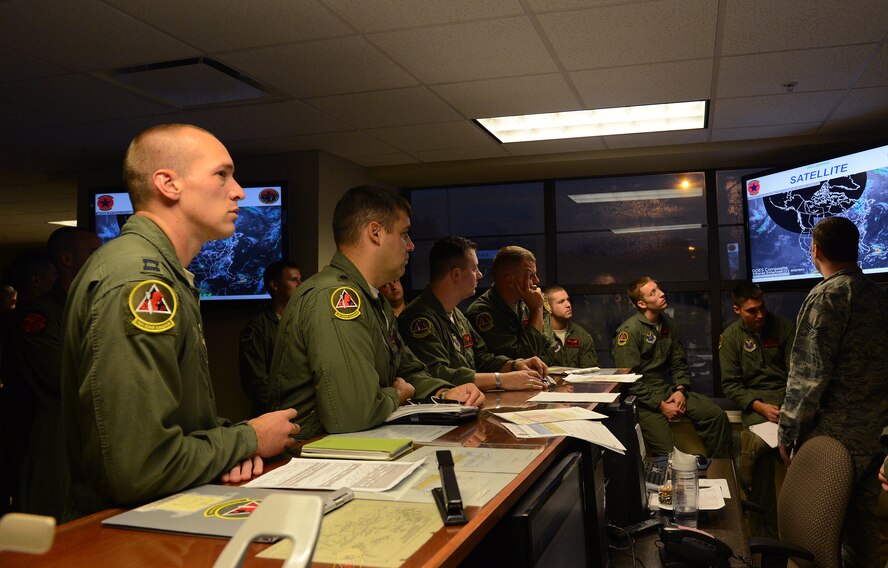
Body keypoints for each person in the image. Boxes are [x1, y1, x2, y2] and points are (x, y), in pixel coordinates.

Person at [61, 124, 298, 521]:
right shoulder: (139, 279)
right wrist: (250, 438)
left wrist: (231, 447)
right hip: (124, 531)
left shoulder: (163, 273)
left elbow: (178, 425)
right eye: (222, 174)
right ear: (168, 184)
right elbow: (139, 466)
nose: (239, 190)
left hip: (159, 518)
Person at [269, 186, 484, 439]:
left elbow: (409, 369)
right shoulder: (336, 298)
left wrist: (444, 393)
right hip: (314, 455)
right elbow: (353, 414)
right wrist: (400, 394)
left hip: (360, 444)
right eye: (404, 234)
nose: (411, 246)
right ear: (375, 233)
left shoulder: (375, 301)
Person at [777, 217, 888, 568]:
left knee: (818, 534)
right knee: (863, 530)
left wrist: (788, 430)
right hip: (876, 434)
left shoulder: (827, 296)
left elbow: (809, 375)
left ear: (815, 250)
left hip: (836, 438)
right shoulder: (878, 295)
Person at [6, 228, 101, 518]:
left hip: (90, 432)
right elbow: (64, 377)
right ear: (67, 259)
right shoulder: (41, 317)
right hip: (54, 435)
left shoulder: (93, 306)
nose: (100, 260)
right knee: (56, 521)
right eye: (92, 254)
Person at [399, 236, 548, 392]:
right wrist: (500, 379)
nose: (480, 274)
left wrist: (513, 365)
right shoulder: (419, 320)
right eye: (474, 268)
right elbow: (436, 374)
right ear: (456, 274)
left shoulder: (456, 314)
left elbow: (481, 357)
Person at [613, 277, 731, 458]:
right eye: (653, 293)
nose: (661, 294)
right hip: (643, 399)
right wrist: (660, 405)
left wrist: (680, 390)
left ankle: (719, 469)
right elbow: (630, 380)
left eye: (658, 288)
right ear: (642, 303)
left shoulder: (668, 325)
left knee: (716, 416)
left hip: (666, 388)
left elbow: (678, 362)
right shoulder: (629, 332)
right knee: (669, 455)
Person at [719, 282, 794, 537]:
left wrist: (787, 407)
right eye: (752, 311)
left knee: (805, 462)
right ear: (737, 309)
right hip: (756, 406)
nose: (760, 315)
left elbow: (797, 374)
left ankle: (805, 534)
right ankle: (765, 538)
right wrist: (760, 407)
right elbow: (731, 385)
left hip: (788, 402)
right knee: (756, 461)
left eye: (762, 308)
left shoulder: (784, 327)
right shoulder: (730, 338)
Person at [465, 246, 553, 363]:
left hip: (541, 374)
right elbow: (521, 356)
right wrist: (536, 309)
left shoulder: (533, 298)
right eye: (530, 275)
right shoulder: (481, 312)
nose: (537, 281)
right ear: (509, 279)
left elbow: (550, 347)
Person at [239, 260, 302, 416]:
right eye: (294, 280)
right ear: (274, 285)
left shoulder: (302, 322)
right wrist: (282, 412)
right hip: (274, 415)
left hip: (304, 411)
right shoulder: (257, 329)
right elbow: (256, 383)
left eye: (301, 280)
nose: (300, 284)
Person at [543, 285, 599, 368]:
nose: (568, 305)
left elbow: (590, 371)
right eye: (561, 302)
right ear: (548, 307)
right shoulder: (540, 335)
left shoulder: (581, 335)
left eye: (568, 300)